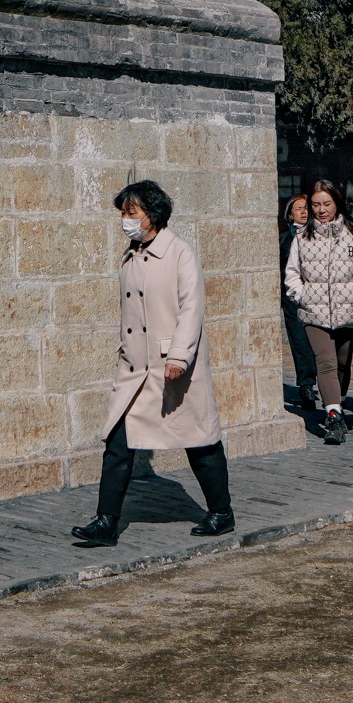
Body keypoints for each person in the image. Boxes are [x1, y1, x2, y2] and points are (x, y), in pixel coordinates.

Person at [71, 180, 234, 546]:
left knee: (200, 441)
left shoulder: (179, 253)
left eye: (132, 213)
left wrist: (179, 355)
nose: (126, 220)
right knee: (118, 443)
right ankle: (106, 521)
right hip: (135, 370)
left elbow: (192, 308)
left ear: (153, 215)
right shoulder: (130, 255)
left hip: (172, 368)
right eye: (124, 214)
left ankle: (221, 512)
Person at [283, 178, 353, 444]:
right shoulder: (303, 237)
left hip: (347, 311)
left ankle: (338, 404)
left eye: (326, 204)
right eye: (316, 204)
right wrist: (303, 296)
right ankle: (332, 416)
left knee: (342, 363)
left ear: (336, 203)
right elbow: (292, 273)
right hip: (314, 311)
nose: (320, 209)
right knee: (326, 363)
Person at [277, 194, 320, 411]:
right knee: (300, 340)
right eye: (298, 209)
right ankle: (306, 385)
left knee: (319, 340)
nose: (303, 212)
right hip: (292, 296)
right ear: (290, 213)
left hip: (318, 294)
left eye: (306, 208)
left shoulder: (320, 235)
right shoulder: (284, 239)